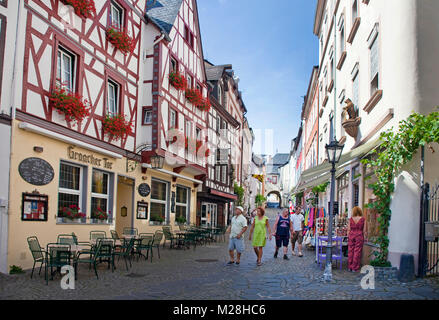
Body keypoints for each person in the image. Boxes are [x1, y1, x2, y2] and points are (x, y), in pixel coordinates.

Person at [347, 206, 366, 272]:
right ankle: (354, 267)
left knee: (350, 250)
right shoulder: (363, 219)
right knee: (357, 251)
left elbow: (348, 229)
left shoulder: (351, 219)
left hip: (351, 235)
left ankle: (350, 266)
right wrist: (365, 237)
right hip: (359, 235)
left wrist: (348, 236)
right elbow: (364, 230)